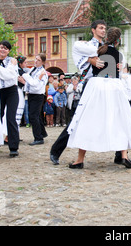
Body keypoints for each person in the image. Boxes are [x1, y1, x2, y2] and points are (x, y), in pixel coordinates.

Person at [67, 27, 131, 169]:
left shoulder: (97, 50)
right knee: (121, 120)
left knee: (88, 120)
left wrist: (89, 59)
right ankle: (124, 156)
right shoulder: (119, 55)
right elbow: (118, 72)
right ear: (118, 41)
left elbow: (79, 50)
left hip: (97, 86)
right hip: (114, 87)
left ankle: (80, 159)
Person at [49, 20, 107, 165]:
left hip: (106, 85)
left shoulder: (106, 47)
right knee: (78, 119)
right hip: (90, 85)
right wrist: (90, 59)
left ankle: (121, 155)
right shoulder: (85, 45)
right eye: (100, 28)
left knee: (112, 116)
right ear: (93, 30)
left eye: (105, 28)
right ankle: (56, 151)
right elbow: (79, 54)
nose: (103, 30)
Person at [0, 40, 20, 157]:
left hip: (11, 91)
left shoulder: (12, 61)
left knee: (10, 118)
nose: (3, 50)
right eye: (1, 47)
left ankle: (13, 147)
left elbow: (12, 76)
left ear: (8, 51)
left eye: (6, 48)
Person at [19, 53, 48, 146]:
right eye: (36, 59)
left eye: (38, 60)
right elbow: (29, 82)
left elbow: (35, 85)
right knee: (37, 115)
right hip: (31, 94)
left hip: (37, 95)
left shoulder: (43, 73)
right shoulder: (33, 69)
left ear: (43, 62)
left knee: (33, 116)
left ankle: (38, 138)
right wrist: (26, 82)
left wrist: (26, 79)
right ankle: (42, 133)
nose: (36, 61)